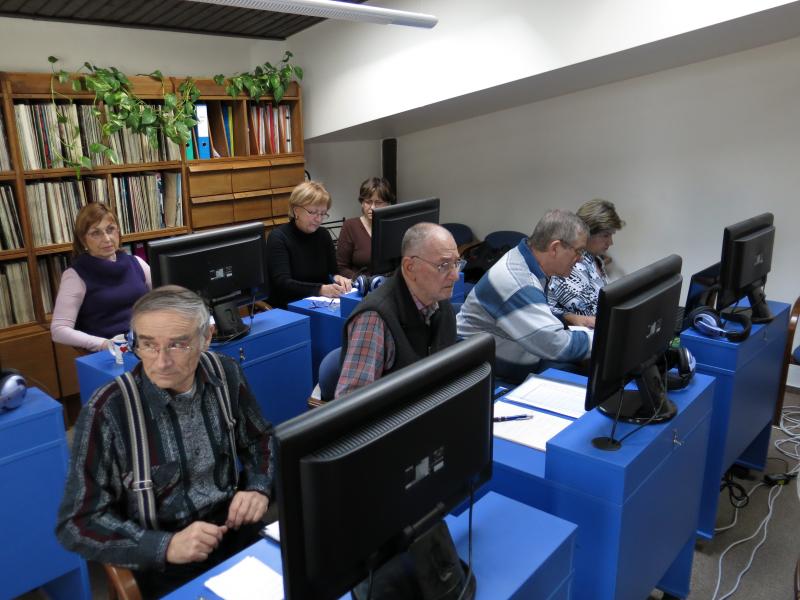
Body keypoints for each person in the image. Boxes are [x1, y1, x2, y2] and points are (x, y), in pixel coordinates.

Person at [56, 286, 273, 599]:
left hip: (233, 527)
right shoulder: (108, 409)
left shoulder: (225, 373)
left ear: (207, 337)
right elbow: (78, 523)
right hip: (162, 556)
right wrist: (165, 547)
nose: (160, 362)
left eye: (177, 345)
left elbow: (259, 439)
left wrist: (258, 487)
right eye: (147, 345)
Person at [457, 209, 593, 384]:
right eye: (579, 251)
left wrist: (567, 318)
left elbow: (528, 312)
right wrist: (604, 337)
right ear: (555, 248)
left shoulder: (527, 260)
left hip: (519, 362)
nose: (581, 259)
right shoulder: (517, 280)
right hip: (484, 376)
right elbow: (556, 345)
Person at [335, 222, 461, 398]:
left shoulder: (440, 302)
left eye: (457, 263)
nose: (455, 275)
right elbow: (351, 402)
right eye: (444, 265)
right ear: (410, 268)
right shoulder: (374, 318)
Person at [51, 202, 151, 351]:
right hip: (112, 352)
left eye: (110, 229)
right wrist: (105, 344)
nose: (107, 238)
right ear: (83, 240)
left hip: (147, 343)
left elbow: (164, 300)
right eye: (96, 233)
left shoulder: (137, 263)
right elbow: (59, 330)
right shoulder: (75, 276)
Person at [266, 181, 351, 308]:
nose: (318, 219)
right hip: (288, 306)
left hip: (321, 304)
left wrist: (338, 278)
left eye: (322, 213)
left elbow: (332, 272)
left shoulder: (323, 235)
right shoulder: (278, 238)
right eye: (312, 212)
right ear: (296, 211)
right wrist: (320, 289)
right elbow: (283, 283)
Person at [547, 199, 626, 328]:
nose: (610, 242)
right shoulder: (571, 264)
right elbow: (593, 317)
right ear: (586, 233)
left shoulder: (595, 259)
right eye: (605, 235)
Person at [336, 177, 396, 278]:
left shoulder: (394, 227)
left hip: (389, 284)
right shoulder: (350, 226)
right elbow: (341, 267)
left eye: (378, 203)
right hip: (361, 284)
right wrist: (362, 280)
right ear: (362, 203)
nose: (372, 207)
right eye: (368, 202)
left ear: (387, 204)